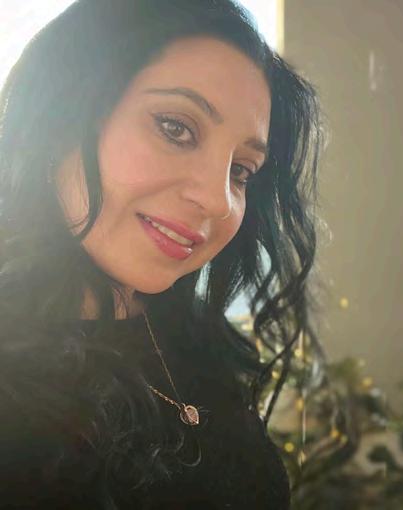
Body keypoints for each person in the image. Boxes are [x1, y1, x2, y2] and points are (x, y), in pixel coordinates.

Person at [0, 0, 322, 507]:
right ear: (59, 114)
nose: (218, 200)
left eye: (241, 170)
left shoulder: (196, 340)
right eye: (176, 127)